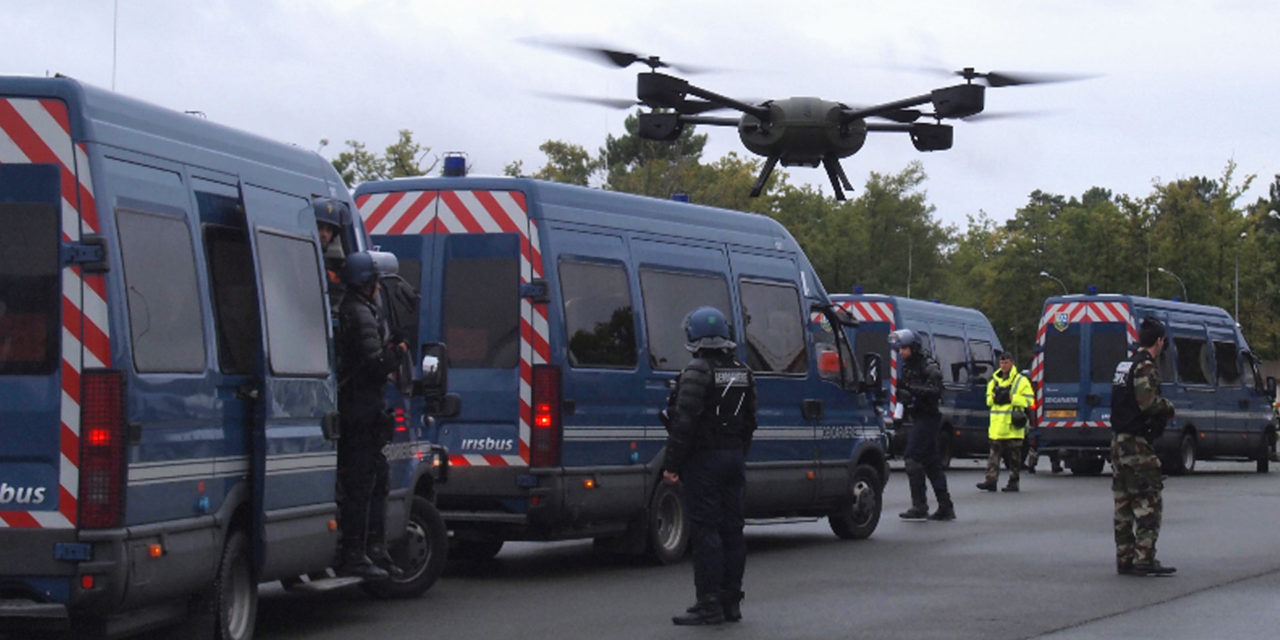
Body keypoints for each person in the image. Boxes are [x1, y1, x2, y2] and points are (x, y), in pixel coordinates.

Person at [662, 306, 756, 625]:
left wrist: (672, 464)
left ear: (694, 337)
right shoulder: (743, 371)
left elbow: (683, 422)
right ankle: (732, 602)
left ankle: (709, 603)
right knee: (733, 530)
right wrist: (738, 453)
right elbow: (749, 422)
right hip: (733, 458)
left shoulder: (696, 371)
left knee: (706, 531)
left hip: (705, 461)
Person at [334, 251, 407, 580]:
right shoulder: (360, 313)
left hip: (364, 410)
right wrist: (398, 353)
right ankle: (356, 551)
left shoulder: (359, 309)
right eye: (375, 280)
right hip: (361, 411)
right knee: (363, 484)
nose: (378, 286)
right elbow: (374, 364)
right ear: (366, 283)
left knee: (376, 481)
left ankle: (373, 548)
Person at [1110, 317, 1176, 576]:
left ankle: (1124, 557)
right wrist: (1168, 407)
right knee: (1149, 499)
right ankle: (1144, 557)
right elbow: (1147, 403)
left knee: (1123, 502)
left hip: (1118, 441)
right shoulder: (1145, 367)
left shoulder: (1123, 365)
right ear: (1159, 341)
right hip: (1137, 444)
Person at [891, 329, 955, 521]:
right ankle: (946, 506)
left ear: (914, 347)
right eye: (900, 348)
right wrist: (899, 412)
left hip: (928, 418)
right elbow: (905, 392)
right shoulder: (907, 366)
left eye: (904, 348)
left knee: (912, 458)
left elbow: (936, 390)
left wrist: (911, 391)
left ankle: (920, 506)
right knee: (931, 463)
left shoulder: (928, 365)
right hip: (917, 416)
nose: (901, 352)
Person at [978, 353, 1034, 492]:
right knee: (993, 457)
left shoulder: (1021, 381)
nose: (1004, 366)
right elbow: (988, 401)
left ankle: (1013, 482)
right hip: (997, 427)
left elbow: (1029, 401)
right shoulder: (993, 381)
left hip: (1012, 427)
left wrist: (1012, 398)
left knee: (1014, 458)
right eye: (1002, 363)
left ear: (1012, 363)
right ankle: (991, 481)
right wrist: (995, 398)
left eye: (1006, 363)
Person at [314, 197, 349, 313]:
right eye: (320, 228)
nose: (324, 234)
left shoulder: (330, 265)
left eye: (328, 230)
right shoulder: (302, 258)